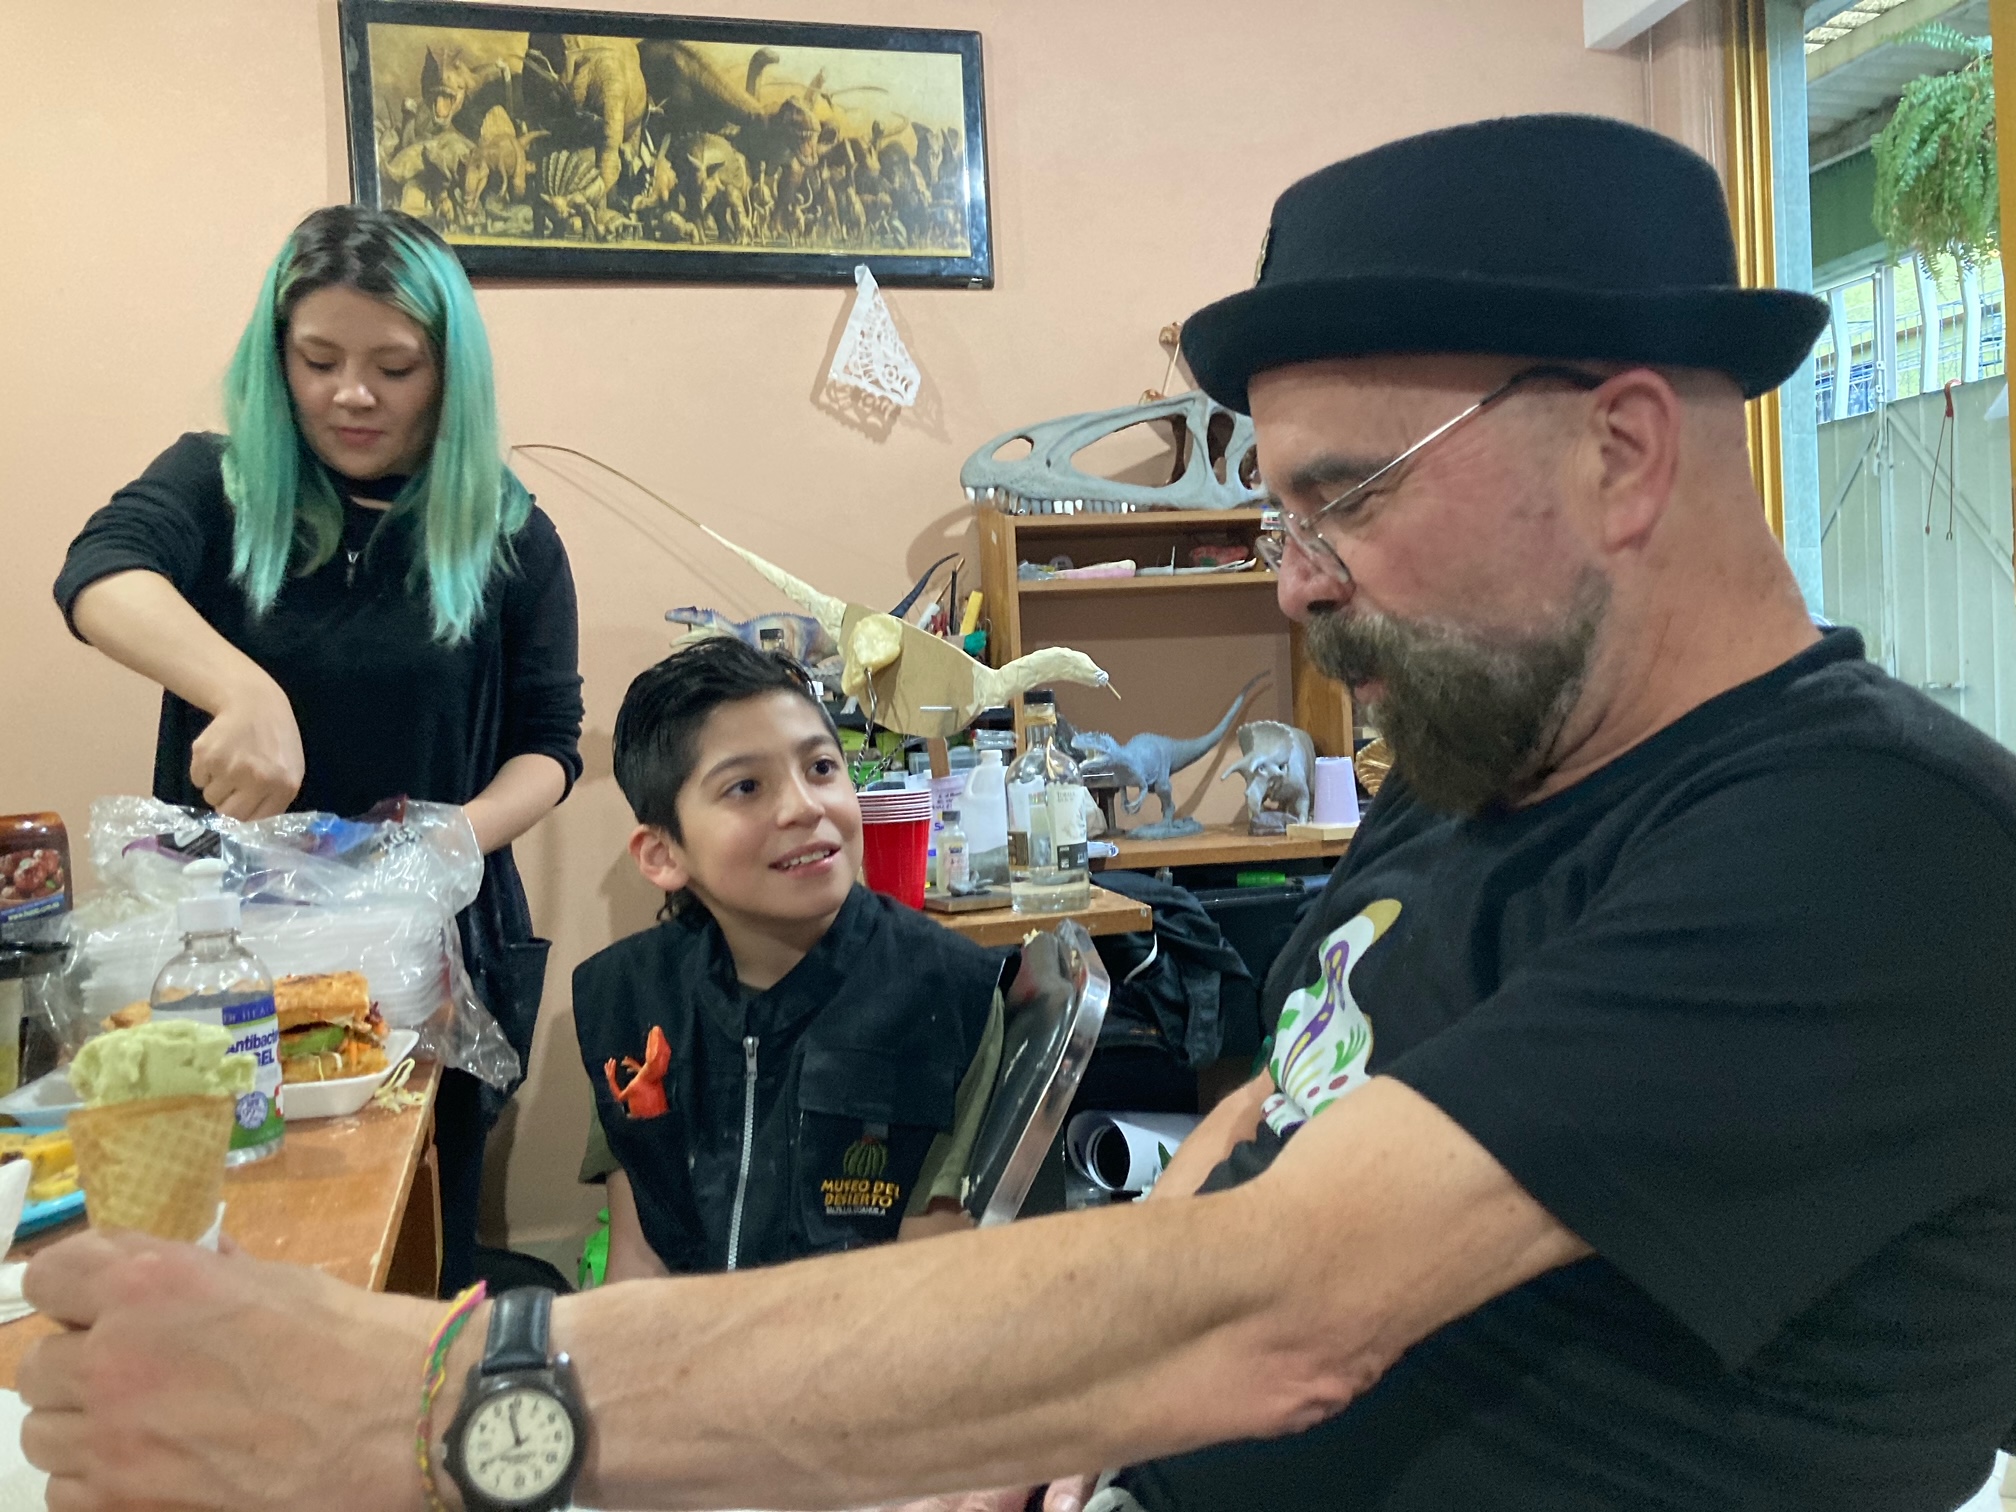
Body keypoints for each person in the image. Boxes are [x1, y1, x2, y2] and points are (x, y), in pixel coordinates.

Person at [21, 114, 2016, 1512]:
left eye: (1340, 497)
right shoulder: (1482, 773)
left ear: (1624, 453)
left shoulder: (1872, 848)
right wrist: (1038, 1412)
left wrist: (441, 1401)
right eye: (1276, 511)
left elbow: (1288, 1303)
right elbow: (1280, 1112)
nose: (1295, 584)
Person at [50, 204, 584, 1296]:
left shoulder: (508, 533)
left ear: (449, 374)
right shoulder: (217, 486)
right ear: (276, 356)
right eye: (319, 359)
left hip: (425, 949)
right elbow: (98, 576)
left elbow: (549, 745)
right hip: (223, 950)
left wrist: (446, 838)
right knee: (231, 1245)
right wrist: (242, 688)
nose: (353, 394)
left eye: (396, 367)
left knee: (410, 1255)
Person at [575, 636, 1004, 1280]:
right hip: (687, 1334)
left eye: (822, 768)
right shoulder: (628, 998)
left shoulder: (947, 993)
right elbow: (639, 1260)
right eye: (746, 786)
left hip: (867, 1334)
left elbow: (931, 1279)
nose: (805, 806)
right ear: (664, 855)